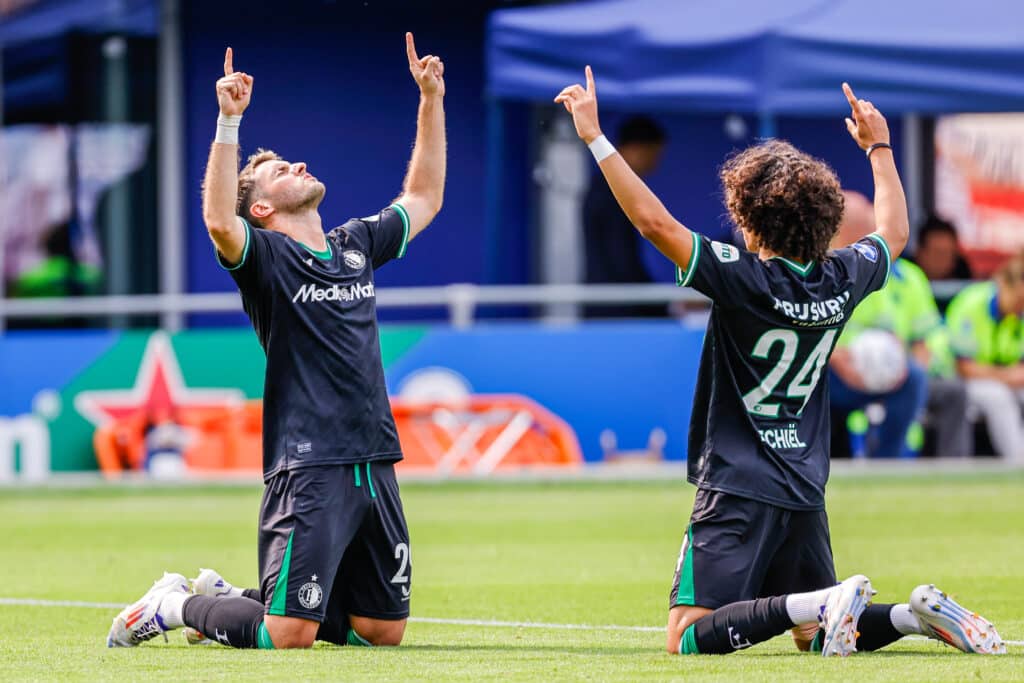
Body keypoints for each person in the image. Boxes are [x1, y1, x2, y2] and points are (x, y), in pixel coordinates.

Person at [555, 71, 1004, 656]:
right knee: (815, 636)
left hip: (738, 482)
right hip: (804, 480)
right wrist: (879, 147)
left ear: (747, 219)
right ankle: (914, 616)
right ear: (826, 220)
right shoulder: (842, 277)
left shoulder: (742, 279)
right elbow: (894, 233)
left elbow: (654, 224)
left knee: (688, 635)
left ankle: (823, 599)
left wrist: (595, 137)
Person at [106, 33, 446, 650]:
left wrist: (431, 100)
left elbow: (423, 198)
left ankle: (230, 598)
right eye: (276, 170)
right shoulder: (264, 257)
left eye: (289, 159)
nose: (295, 164)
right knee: (289, 634)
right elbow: (216, 220)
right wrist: (228, 120)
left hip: (375, 458)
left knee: (381, 632)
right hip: (310, 462)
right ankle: (175, 604)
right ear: (260, 207)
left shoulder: (353, 245)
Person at [828, 191, 969, 459]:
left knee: (925, 381)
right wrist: (834, 357)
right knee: (810, 379)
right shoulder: (824, 271)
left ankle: (890, 462)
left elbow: (930, 336)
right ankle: (823, 463)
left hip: (897, 373)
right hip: (838, 373)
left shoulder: (910, 277)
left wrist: (918, 359)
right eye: (855, 229)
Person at [582, 115, 667, 318]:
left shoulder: (603, 188)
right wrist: (662, 307)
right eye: (653, 155)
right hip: (614, 313)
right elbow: (620, 260)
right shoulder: (611, 193)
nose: (655, 164)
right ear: (636, 149)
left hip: (609, 307)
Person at [945, 252, 1024, 463]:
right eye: (1018, 299)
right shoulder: (972, 303)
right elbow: (964, 368)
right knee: (997, 396)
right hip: (958, 381)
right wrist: (1007, 377)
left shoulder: (1020, 314)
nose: (1020, 307)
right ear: (1002, 283)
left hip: (1004, 378)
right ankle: (1018, 464)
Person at [911, 215, 973, 281]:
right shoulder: (904, 279)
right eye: (937, 252)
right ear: (919, 252)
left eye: (947, 253)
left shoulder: (966, 283)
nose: (941, 259)